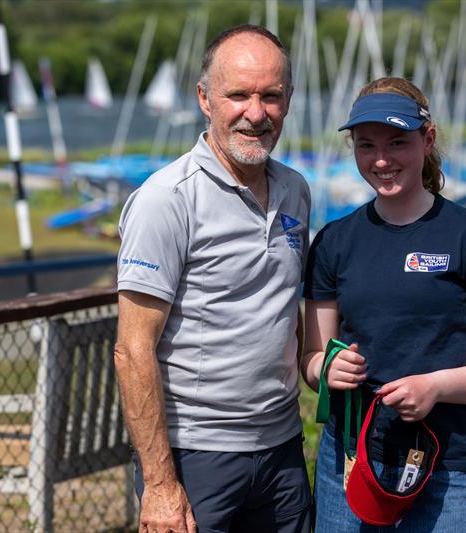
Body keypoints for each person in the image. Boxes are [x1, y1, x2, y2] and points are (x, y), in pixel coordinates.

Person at [301, 77, 466, 532]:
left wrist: (436, 387)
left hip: (449, 466)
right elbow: (311, 357)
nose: (382, 160)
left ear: (427, 140)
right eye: (366, 145)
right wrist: (325, 371)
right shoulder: (333, 242)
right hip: (352, 458)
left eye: (397, 143)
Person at [115, 25, 312, 533]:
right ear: (204, 98)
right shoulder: (167, 199)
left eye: (270, 96)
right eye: (238, 94)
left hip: (282, 448)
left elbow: (287, 310)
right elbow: (132, 349)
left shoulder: (296, 190)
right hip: (196, 455)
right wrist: (159, 486)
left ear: (288, 100)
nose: (255, 112)